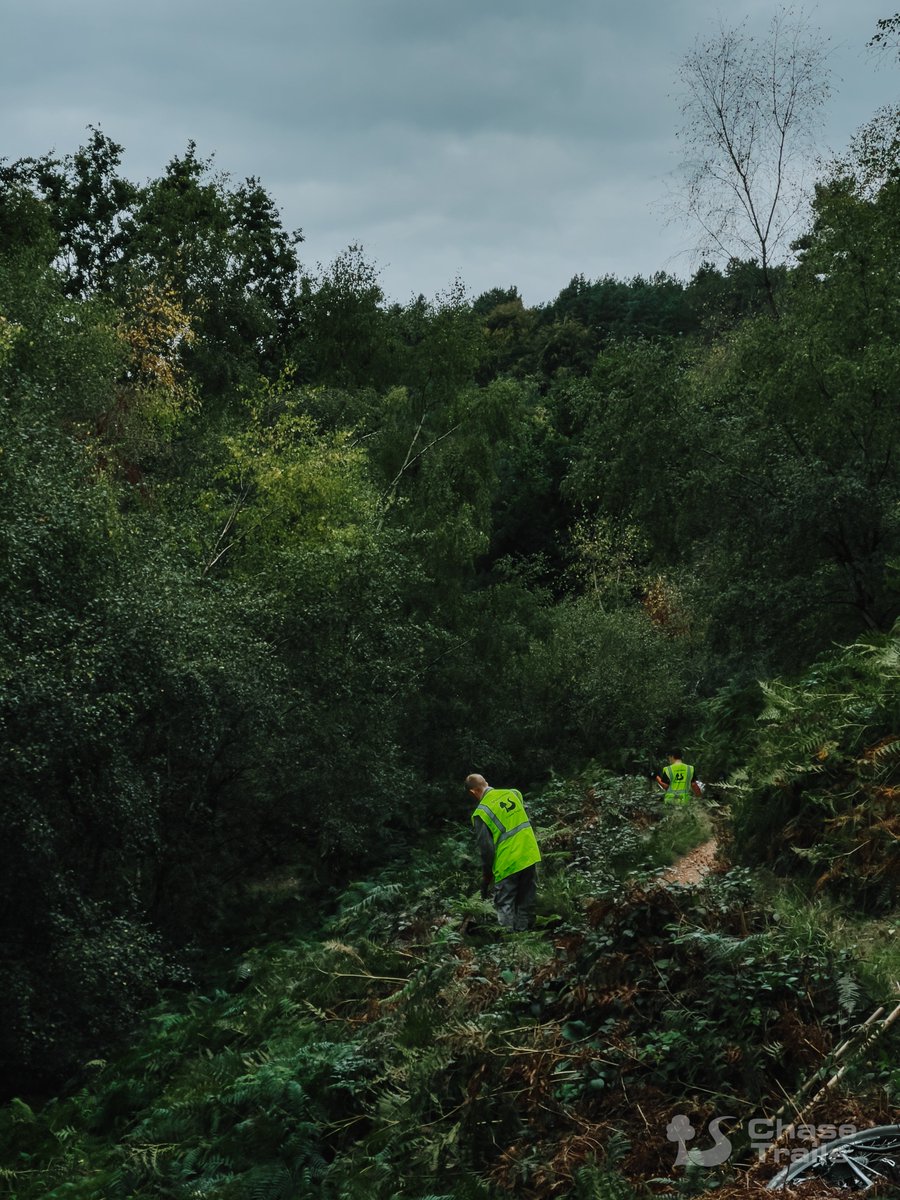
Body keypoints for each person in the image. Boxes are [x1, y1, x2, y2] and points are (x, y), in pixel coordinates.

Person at [466, 772, 541, 931]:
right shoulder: (513, 793)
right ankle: (527, 941)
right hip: (529, 854)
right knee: (526, 901)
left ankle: (510, 944)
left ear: (473, 792)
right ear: (486, 782)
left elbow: (486, 850)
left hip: (507, 862)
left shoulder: (481, 813)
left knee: (505, 904)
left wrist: (487, 875)